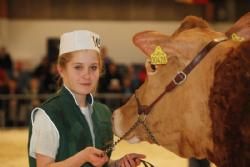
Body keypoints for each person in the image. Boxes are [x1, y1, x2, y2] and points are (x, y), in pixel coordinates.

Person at [28, 30, 146, 167]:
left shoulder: (103, 112)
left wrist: (118, 164)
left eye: (93, 67)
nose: (87, 75)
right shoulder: (48, 115)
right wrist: (82, 157)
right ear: (61, 69)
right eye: (78, 67)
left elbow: (102, 164)